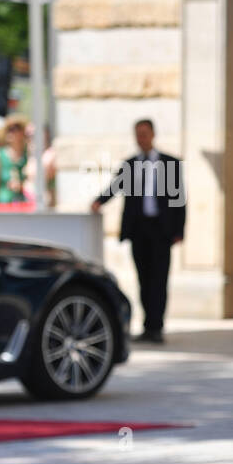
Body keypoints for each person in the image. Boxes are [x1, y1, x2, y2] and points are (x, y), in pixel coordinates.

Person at [90, 119, 186, 344]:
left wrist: (179, 230)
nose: (141, 138)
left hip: (161, 230)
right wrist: (98, 202)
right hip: (139, 229)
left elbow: (179, 201)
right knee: (143, 279)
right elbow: (115, 187)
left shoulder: (169, 164)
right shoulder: (130, 165)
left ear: (153, 134)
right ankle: (147, 325)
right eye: (138, 134)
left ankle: (157, 326)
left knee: (159, 280)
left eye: (144, 134)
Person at [0, 116, 29, 204]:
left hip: (26, 202)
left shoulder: (29, 153)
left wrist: (21, 186)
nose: (12, 133)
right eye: (9, 129)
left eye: (15, 129)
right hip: (4, 202)